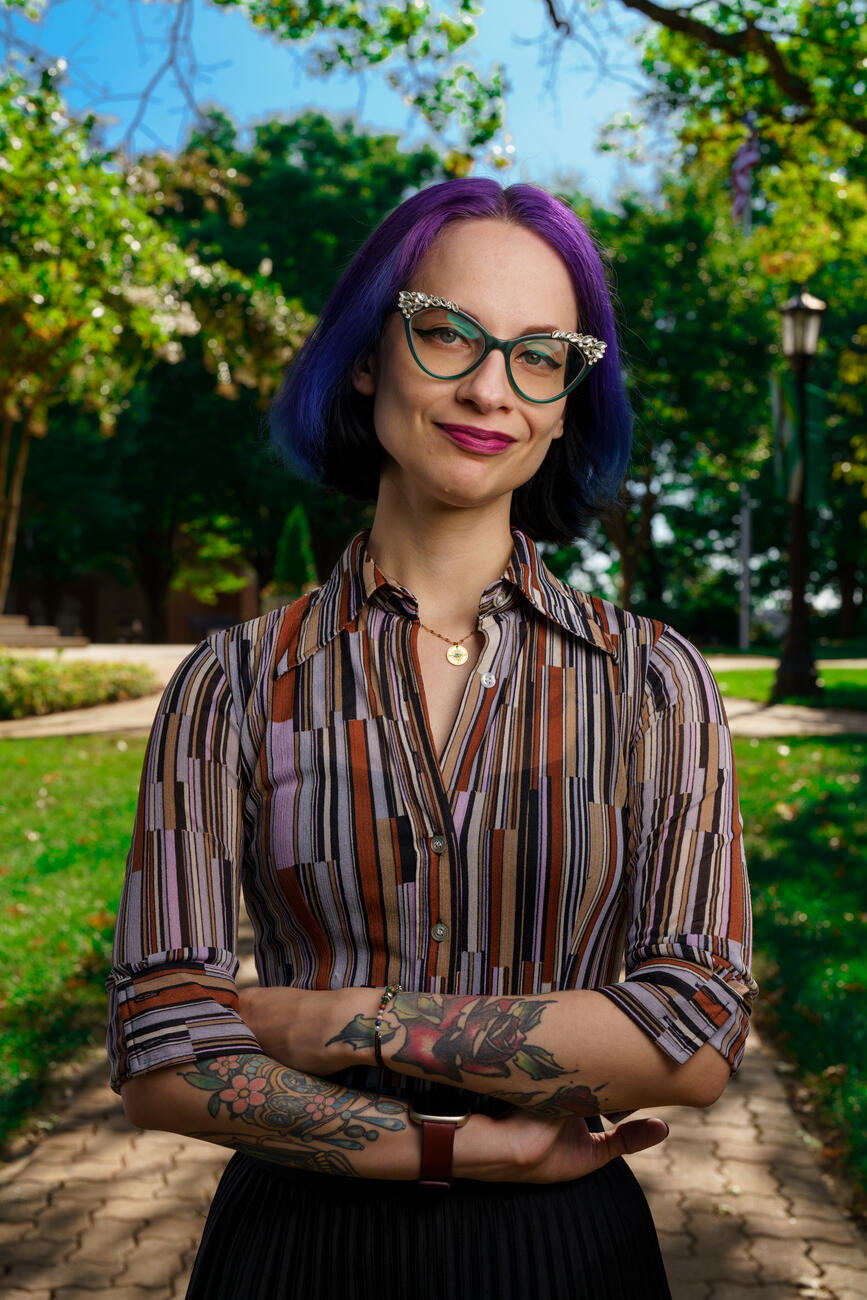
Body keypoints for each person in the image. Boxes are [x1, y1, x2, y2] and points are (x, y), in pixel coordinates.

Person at [107, 178, 758, 1299]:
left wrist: (342, 1019)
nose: (490, 388)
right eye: (448, 332)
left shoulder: (658, 682)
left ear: (565, 402)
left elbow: (693, 1034)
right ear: (370, 356)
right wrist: (461, 1144)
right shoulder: (230, 681)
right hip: (297, 1252)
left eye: (540, 354)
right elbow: (165, 1049)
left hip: (572, 1258)